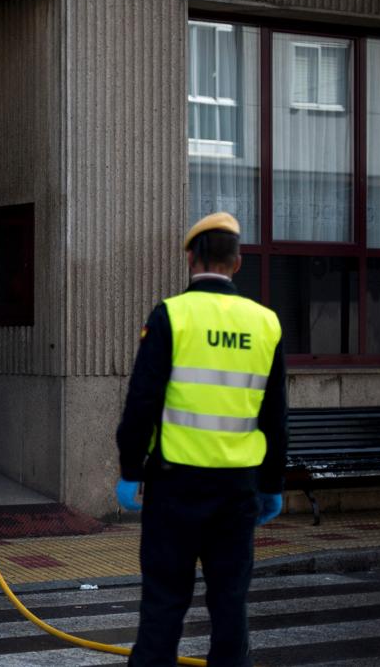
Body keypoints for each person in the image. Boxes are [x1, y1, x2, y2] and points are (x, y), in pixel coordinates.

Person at [114, 212, 288, 667]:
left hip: (174, 489)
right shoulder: (266, 323)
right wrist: (272, 484)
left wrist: (130, 470)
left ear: (191, 257)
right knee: (231, 609)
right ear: (237, 261)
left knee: (163, 607)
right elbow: (275, 416)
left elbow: (141, 403)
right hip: (238, 491)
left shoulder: (171, 315)